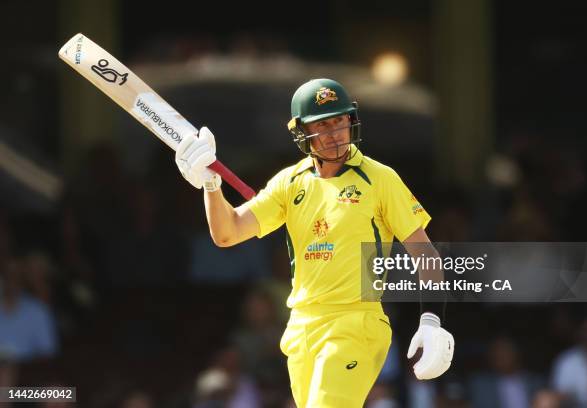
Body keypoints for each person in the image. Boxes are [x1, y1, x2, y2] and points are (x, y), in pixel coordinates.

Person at [175, 78, 454, 407]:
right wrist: (210, 185)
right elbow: (228, 232)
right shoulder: (289, 183)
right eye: (323, 124)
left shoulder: (380, 179)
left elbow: (427, 256)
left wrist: (432, 321)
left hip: (355, 323)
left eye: (340, 121)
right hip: (302, 328)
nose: (335, 132)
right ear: (301, 132)